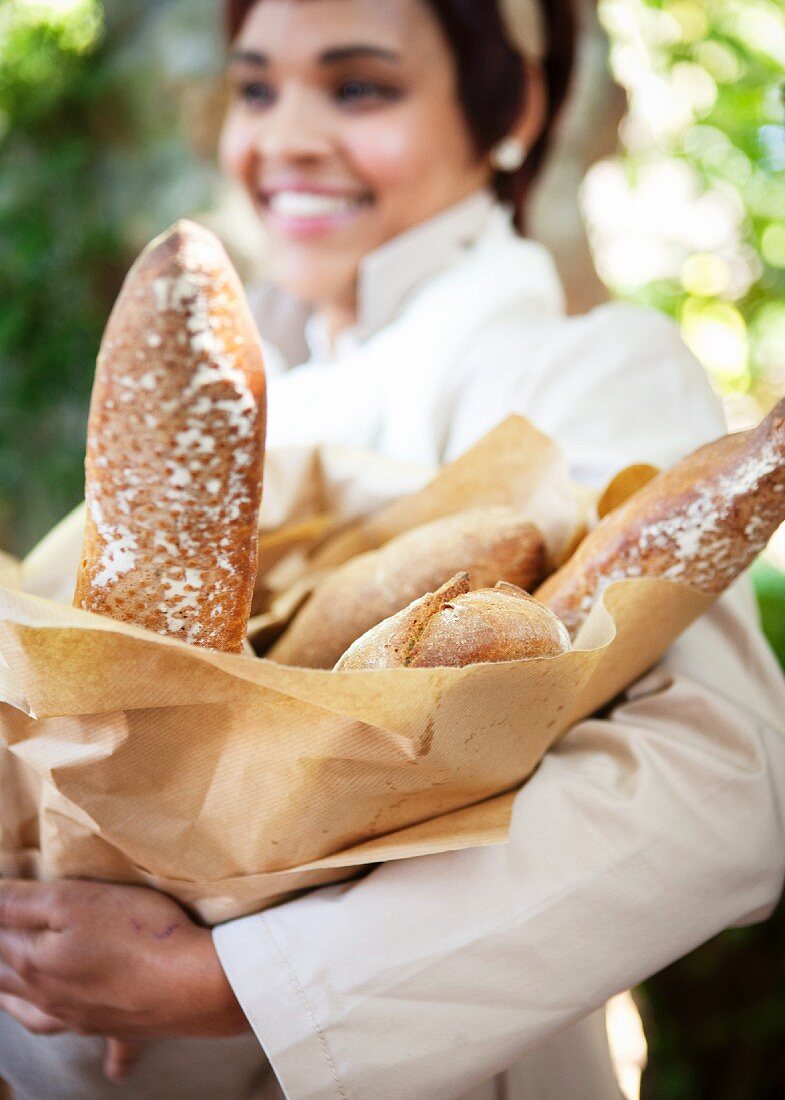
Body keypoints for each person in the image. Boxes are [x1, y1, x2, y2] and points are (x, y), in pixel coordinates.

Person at [1, 1, 784, 1097]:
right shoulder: (233, 386)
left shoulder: (588, 367)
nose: (285, 137)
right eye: (257, 87)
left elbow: (723, 786)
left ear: (505, 109)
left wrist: (247, 983)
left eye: (359, 86)